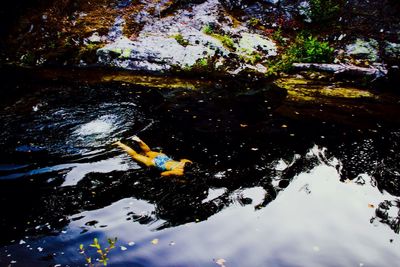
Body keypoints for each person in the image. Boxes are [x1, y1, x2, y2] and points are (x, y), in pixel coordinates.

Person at [114, 136, 192, 176]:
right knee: (135, 155)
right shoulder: (180, 172)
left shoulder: (187, 161)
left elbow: (182, 159)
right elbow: (163, 174)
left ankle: (139, 140)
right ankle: (119, 144)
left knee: (148, 151)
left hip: (164, 158)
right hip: (157, 163)